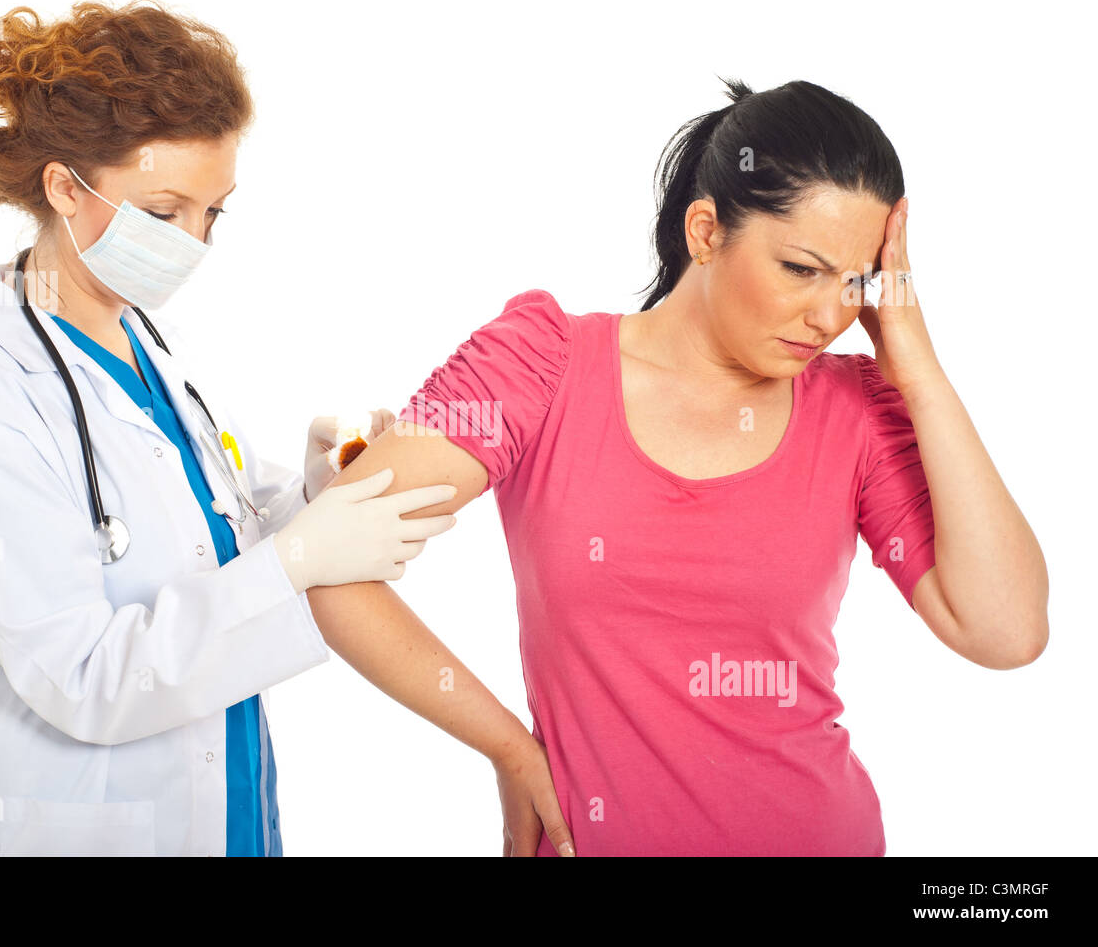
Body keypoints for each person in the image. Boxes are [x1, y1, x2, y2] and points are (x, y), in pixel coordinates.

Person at [303, 77, 1050, 855]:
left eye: (858, 283)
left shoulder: (856, 409)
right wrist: (510, 749)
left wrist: (917, 368)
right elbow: (329, 563)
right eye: (802, 269)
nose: (832, 317)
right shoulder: (541, 363)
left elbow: (1005, 631)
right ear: (705, 231)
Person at [0, 0, 458, 856]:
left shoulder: (149, 344)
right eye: (162, 214)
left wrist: (311, 498)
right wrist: (303, 558)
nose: (194, 243)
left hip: (219, 808)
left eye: (213, 213)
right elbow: (83, 679)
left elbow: (206, 551)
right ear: (62, 188)